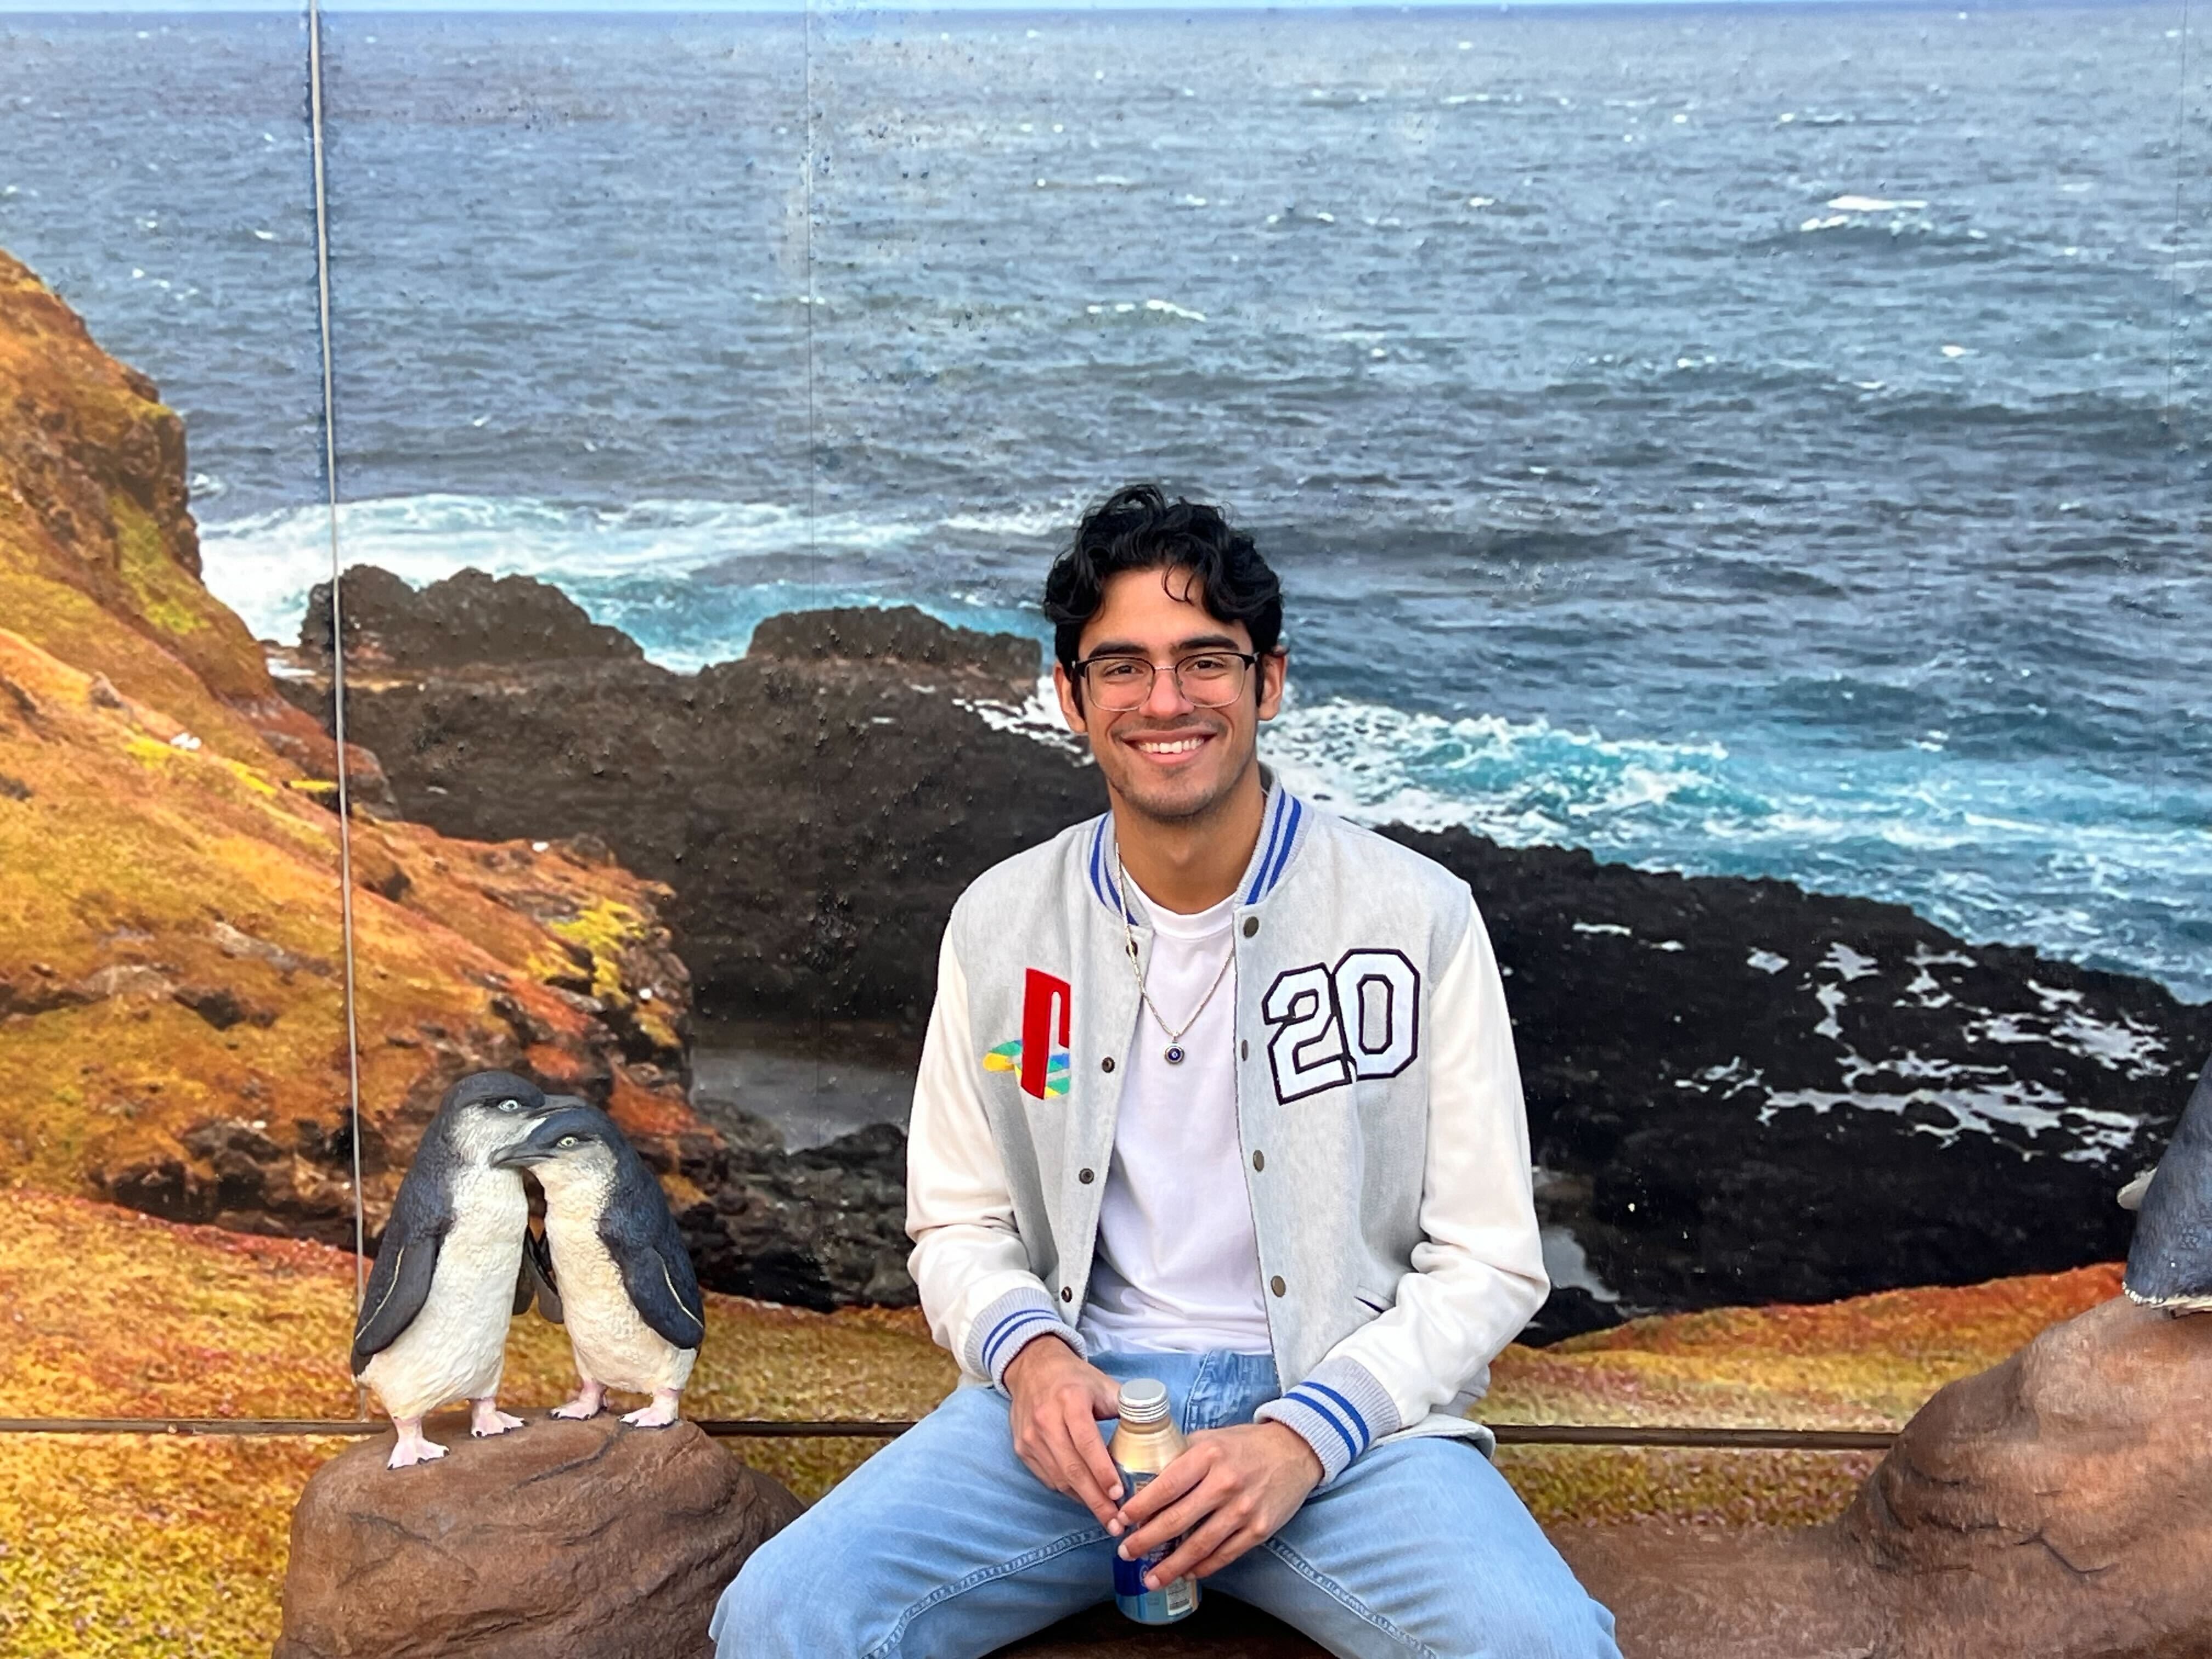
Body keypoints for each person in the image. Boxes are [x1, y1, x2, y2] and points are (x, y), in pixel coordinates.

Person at [714, 485, 1621, 1659]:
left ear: (1268, 682)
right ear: (1071, 696)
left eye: (1204, 661)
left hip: (1346, 1433)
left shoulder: (1418, 917)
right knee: (785, 1615)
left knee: (1544, 1645)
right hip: (1076, 1418)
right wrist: (1030, 1358)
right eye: (1123, 667)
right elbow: (958, 1221)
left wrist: (1303, 1436)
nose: (1165, 701)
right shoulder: (1006, 926)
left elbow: (1490, 1259)